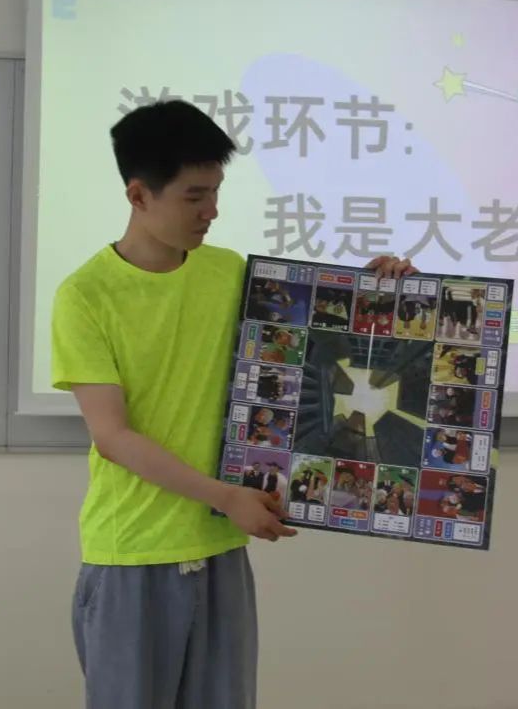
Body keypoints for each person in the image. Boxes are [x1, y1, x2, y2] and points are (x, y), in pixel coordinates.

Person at [52, 100, 415, 709]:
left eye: (216, 192)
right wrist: (225, 497)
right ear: (138, 195)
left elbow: (313, 347)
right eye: (194, 196)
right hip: (133, 553)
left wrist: (378, 289)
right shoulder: (86, 296)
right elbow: (112, 437)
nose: (211, 211)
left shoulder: (229, 273)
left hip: (220, 547)